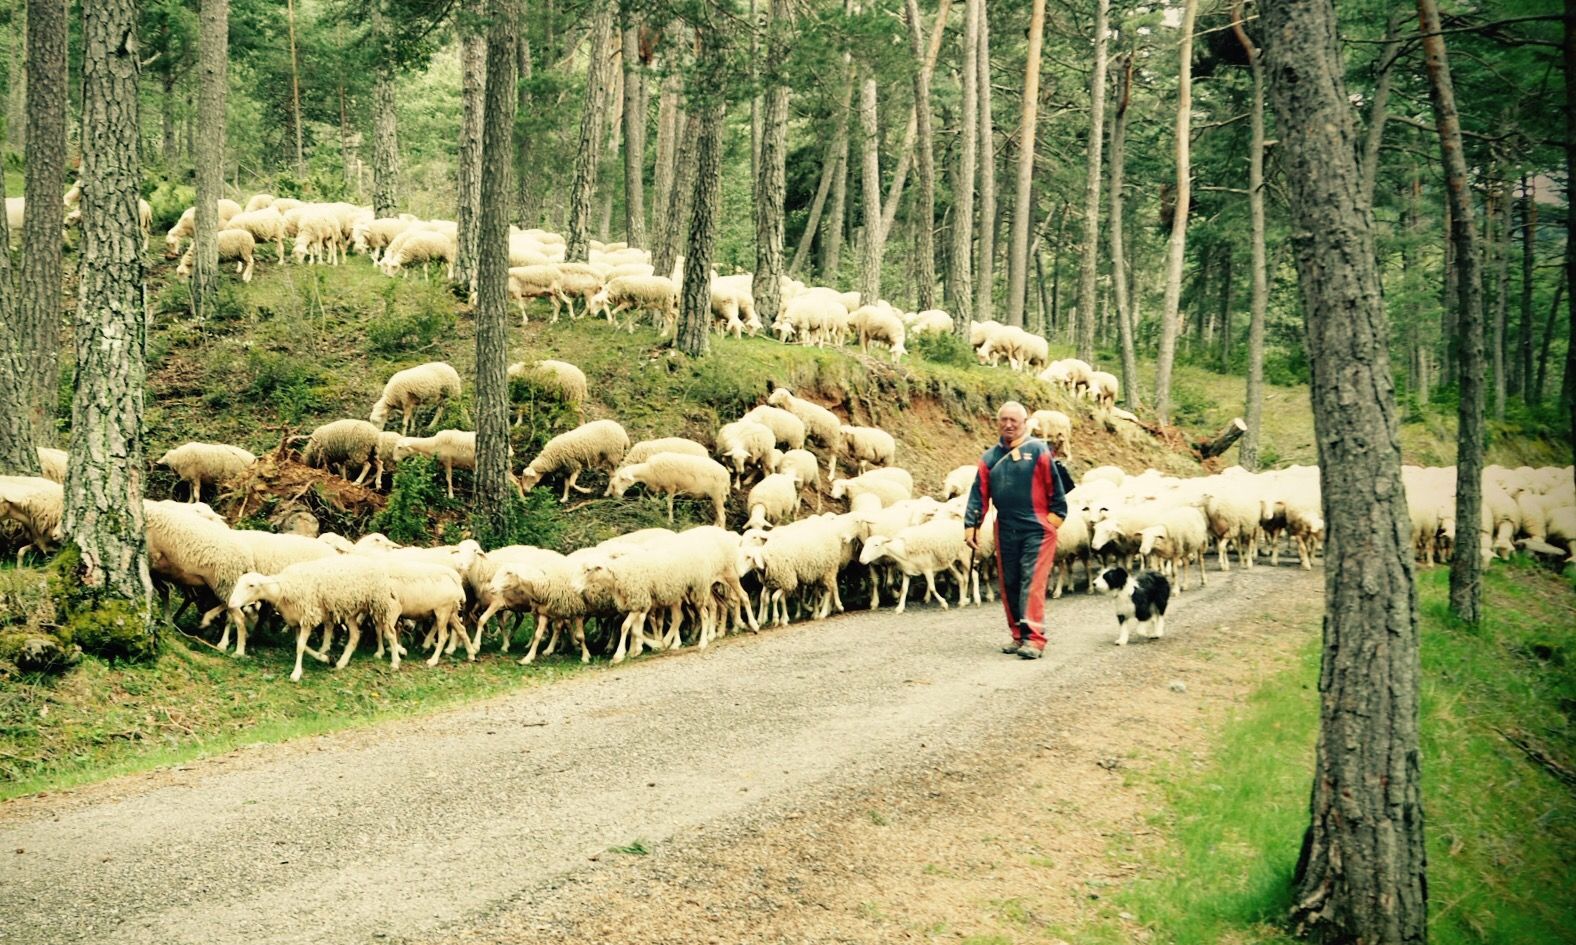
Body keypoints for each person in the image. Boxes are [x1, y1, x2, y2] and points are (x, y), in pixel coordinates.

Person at [963, 401, 1067, 659]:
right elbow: (979, 494)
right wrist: (972, 526)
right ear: (997, 422)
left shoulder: (1039, 450)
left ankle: (1035, 639)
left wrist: (1051, 522)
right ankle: (1018, 635)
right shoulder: (989, 458)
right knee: (1009, 581)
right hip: (1006, 527)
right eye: (1004, 420)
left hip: (1036, 528)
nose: (1009, 425)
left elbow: (1056, 490)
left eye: (1014, 420)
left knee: (1031, 580)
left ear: (1024, 423)